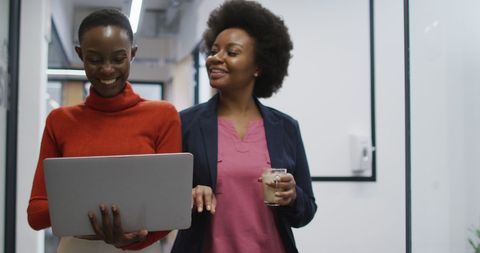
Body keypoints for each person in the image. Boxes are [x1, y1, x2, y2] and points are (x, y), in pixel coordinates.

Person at [27, 8, 181, 253]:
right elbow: (36, 213)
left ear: (133, 54)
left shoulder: (163, 116)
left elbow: (171, 210)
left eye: (118, 58)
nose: (107, 69)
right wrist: (96, 212)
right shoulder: (60, 121)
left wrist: (131, 241)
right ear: (81, 55)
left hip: (140, 249)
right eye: (95, 59)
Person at [171, 1, 317, 253]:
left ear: (259, 66)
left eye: (232, 52)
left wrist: (293, 197)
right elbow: (164, 200)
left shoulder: (285, 128)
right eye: (214, 50)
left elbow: (305, 213)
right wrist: (191, 194)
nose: (215, 58)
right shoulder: (185, 124)